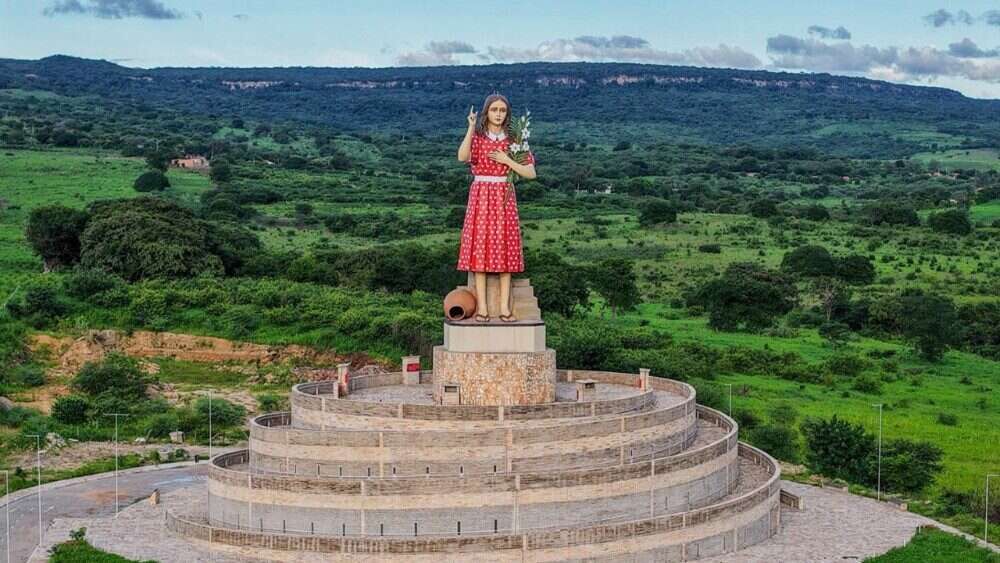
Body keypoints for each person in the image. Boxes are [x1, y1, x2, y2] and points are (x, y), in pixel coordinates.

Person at [456, 93, 536, 322]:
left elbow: (531, 173)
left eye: (502, 110)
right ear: (486, 112)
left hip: (504, 195)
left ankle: (504, 309)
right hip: (481, 195)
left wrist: (507, 160)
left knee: (505, 248)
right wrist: (471, 127)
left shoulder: (515, 140)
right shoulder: (478, 137)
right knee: (479, 249)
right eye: (494, 110)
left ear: (507, 114)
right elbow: (462, 157)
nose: (498, 114)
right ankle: (482, 308)